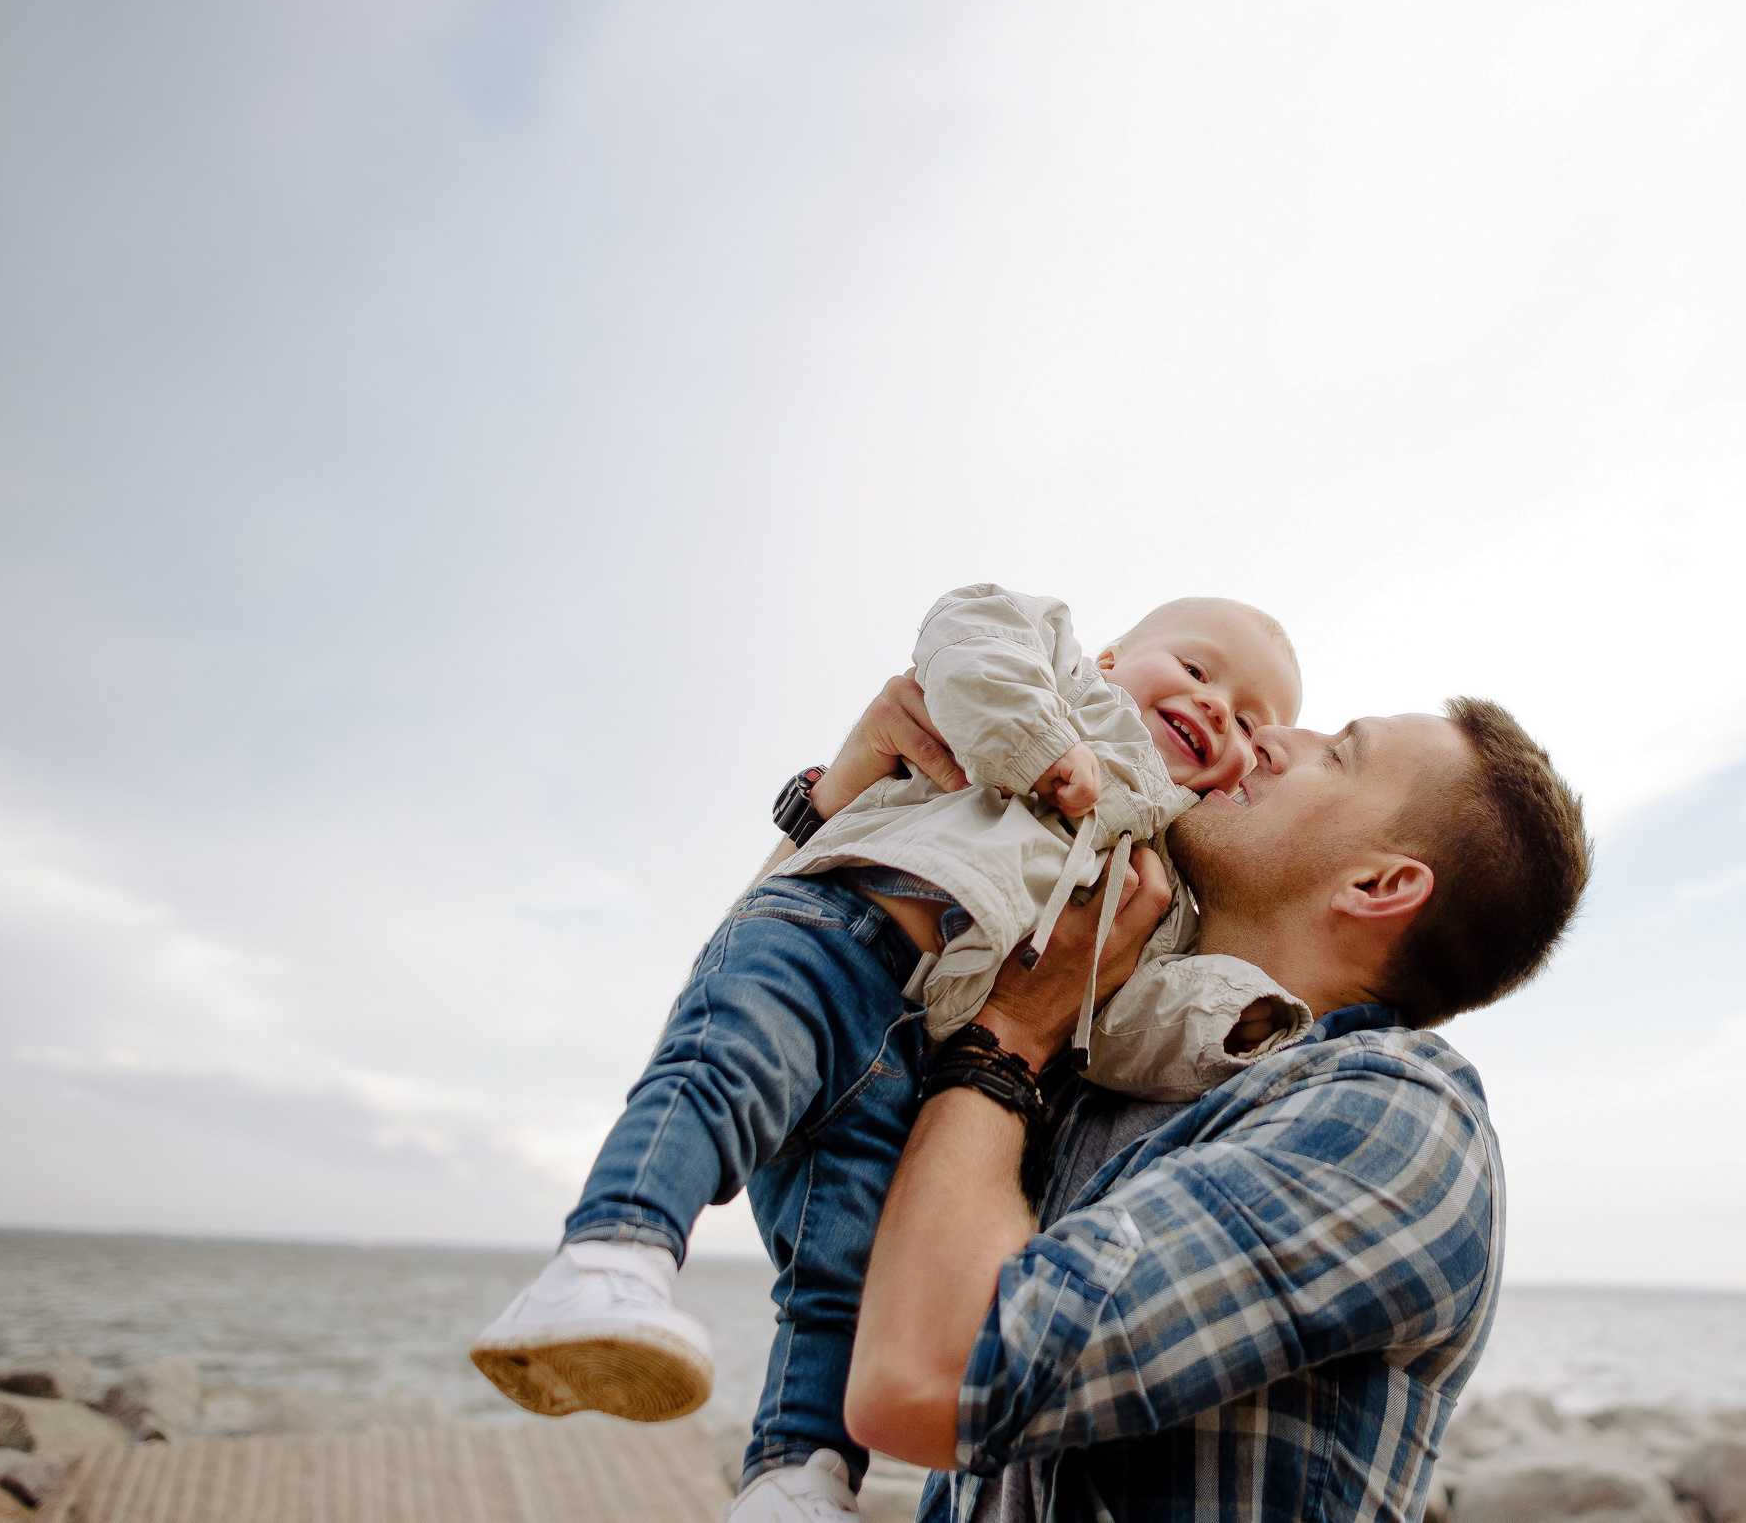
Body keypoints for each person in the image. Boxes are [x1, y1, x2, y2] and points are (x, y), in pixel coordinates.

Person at [468, 585, 1304, 1521]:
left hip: (908, 1057)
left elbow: (1122, 1009)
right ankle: (608, 1260)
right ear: (1108, 657)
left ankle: (799, 1475)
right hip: (832, 929)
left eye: (1248, 723)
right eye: (1196, 669)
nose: (1215, 708)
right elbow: (969, 635)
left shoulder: (1152, 877)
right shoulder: (1062, 682)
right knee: (720, 1076)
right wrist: (1041, 743)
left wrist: (1239, 1020)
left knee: (846, 1268)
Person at [835, 680, 1593, 1523]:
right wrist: (837, 798)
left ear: (1379, 885)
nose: (1270, 736)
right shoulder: (1104, 1047)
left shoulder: (1398, 1119)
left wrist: (1006, 1037)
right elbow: (780, 1101)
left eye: (1338, 752)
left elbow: (928, 1380)